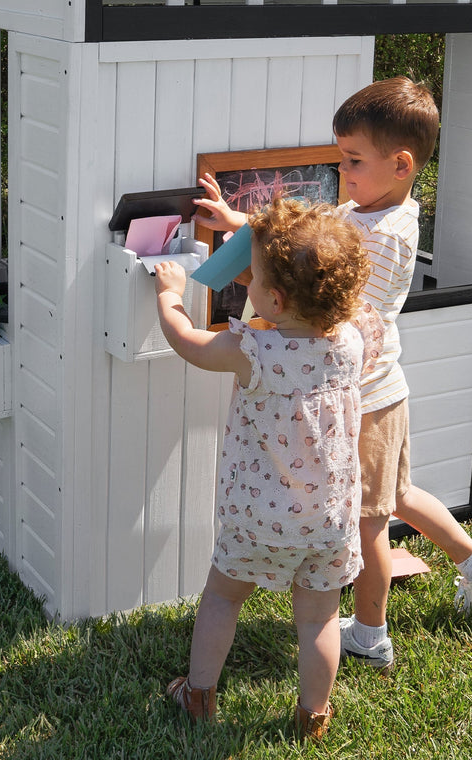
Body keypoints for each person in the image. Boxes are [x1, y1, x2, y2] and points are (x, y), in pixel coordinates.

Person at [194, 76, 472, 677]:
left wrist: (258, 283)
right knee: (395, 497)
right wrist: (239, 220)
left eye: (352, 161)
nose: (341, 172)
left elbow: (320, 306)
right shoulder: (368, 209)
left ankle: (370, 636)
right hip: (382, 392)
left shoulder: (383, 238)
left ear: (400, 165)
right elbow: (308, 239)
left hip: (361, 401)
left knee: (367, 523)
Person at [154, 197, 380, 741]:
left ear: (274, 299)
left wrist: (169, 296)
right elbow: (315, 317)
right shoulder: (353, 339)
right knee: (319, 618)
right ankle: (313, 717)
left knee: (224, 597)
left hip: (258, 518)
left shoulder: (252, 350)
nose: (246, 281)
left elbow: (188, 343)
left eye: (251, 276)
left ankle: (198, 695)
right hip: (328, 520)